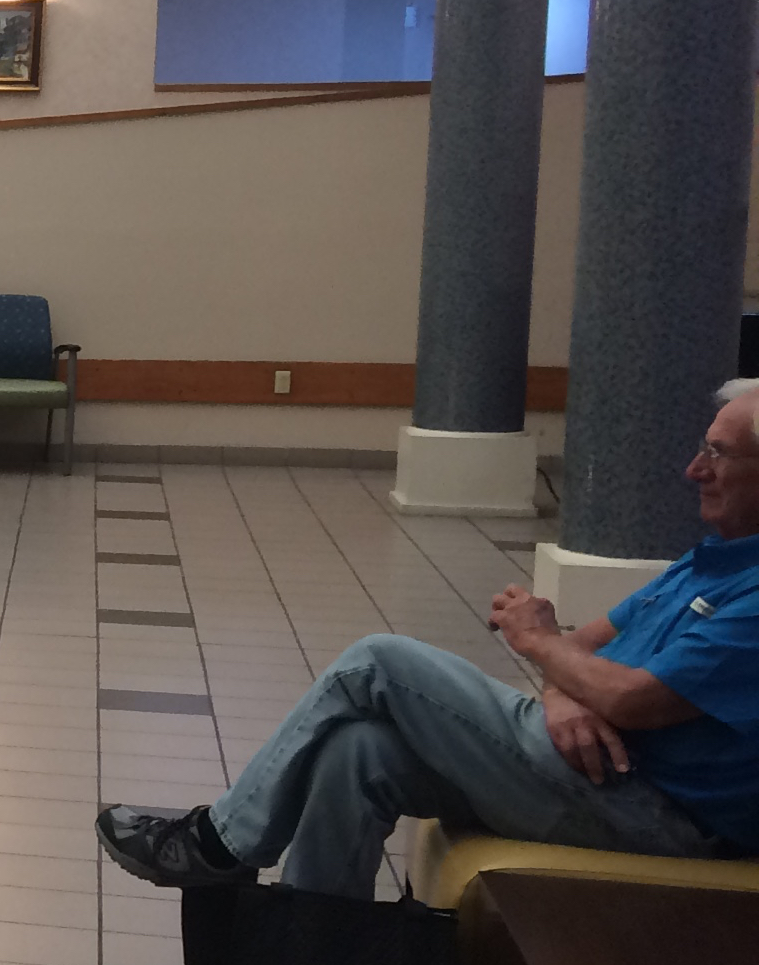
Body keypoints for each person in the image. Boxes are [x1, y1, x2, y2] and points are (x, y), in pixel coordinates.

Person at [100, 379, 759, 898]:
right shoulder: (708, 562)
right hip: (593, 766)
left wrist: (538, 644)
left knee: (376, 663)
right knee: (357, 752)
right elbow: (582, 647)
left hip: (657, 813)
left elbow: (634, 697)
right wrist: (564, 693)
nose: (693, 470)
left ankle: (221, 844)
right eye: (702, 448)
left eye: (718, 454)